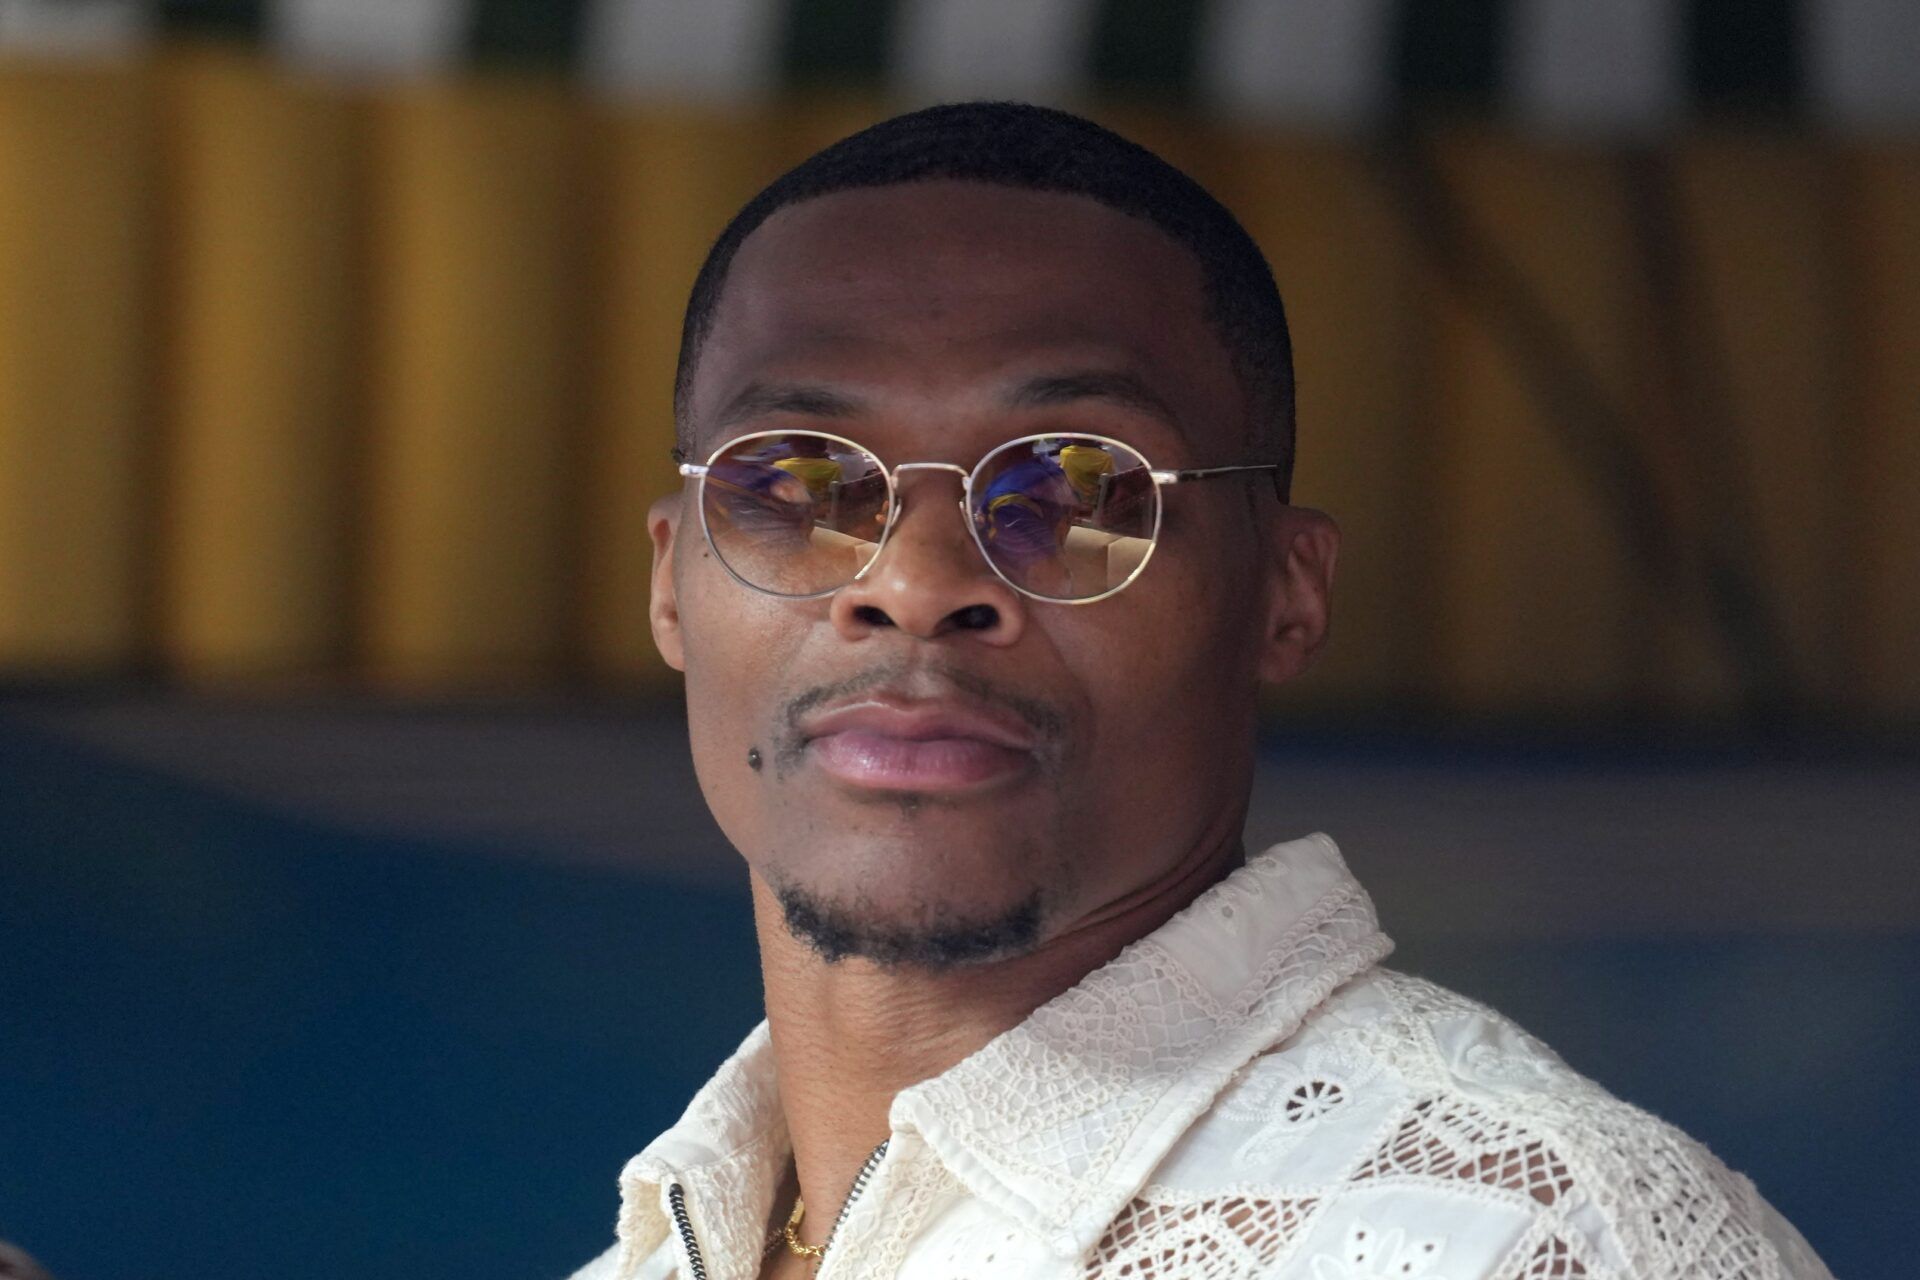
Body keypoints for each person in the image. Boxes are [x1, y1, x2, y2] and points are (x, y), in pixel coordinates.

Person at [571, 102, 1830, 1280]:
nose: (915, 579)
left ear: (1287, 592)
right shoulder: (653, 1249)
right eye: (796, 483)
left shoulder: (1528, 1237)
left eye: (1075, 489)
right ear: (673, 583)